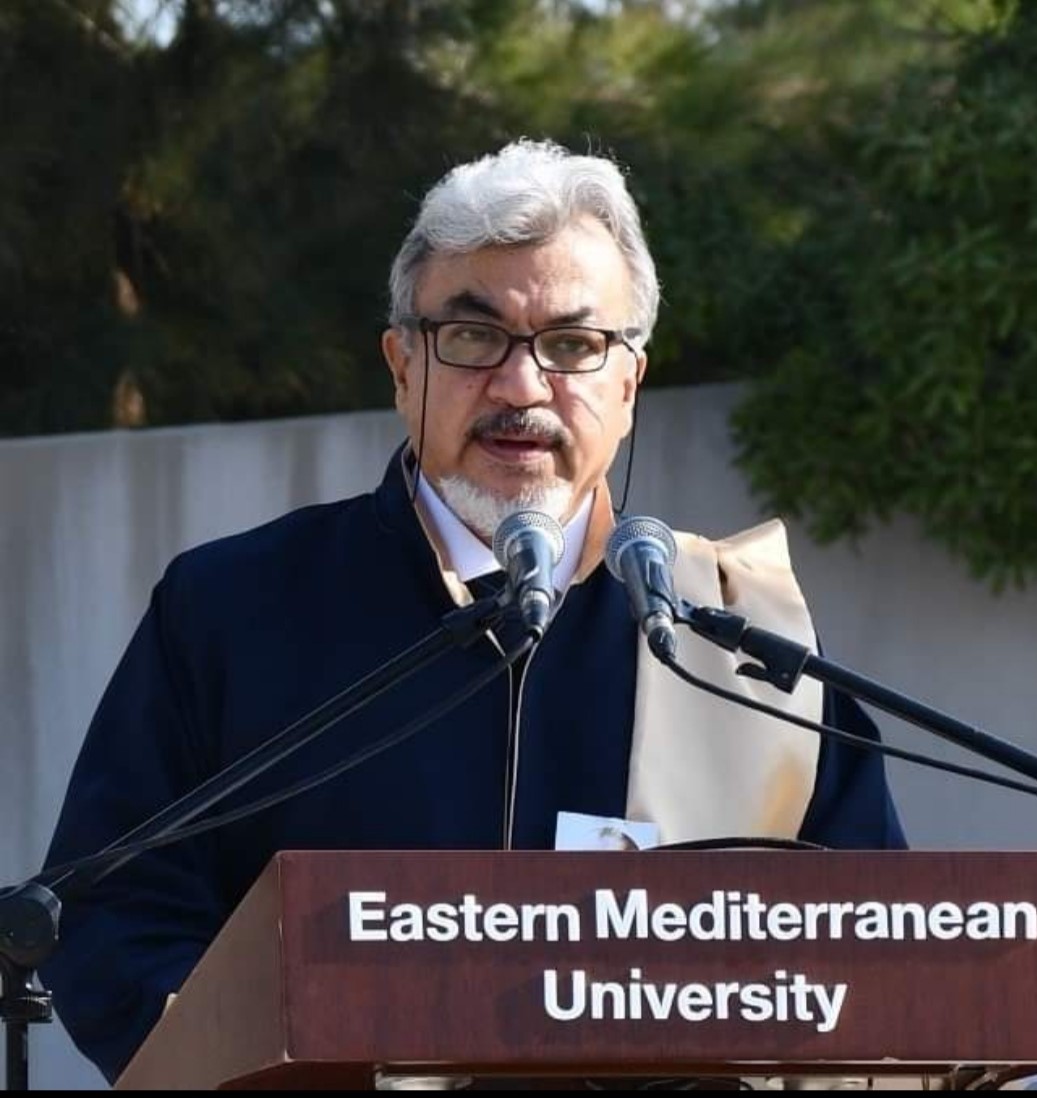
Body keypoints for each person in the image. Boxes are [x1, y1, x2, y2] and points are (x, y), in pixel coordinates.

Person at [39, 138, 906, 1084]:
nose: (521, 386)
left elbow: (870, 959)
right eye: (471, 335)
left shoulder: (736, 636)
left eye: (572, 345)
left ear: (628, 384)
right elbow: (116, 919)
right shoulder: (231, 608)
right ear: (402, 365)